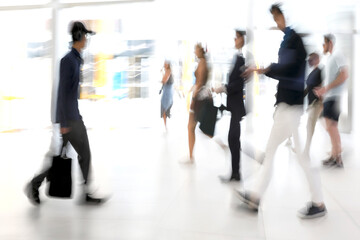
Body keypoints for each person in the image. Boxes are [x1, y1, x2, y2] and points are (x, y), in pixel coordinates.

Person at [236, 3, 327, 219]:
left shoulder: (294, 41)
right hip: (287, 106)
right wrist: (264, 70)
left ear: (286, 17)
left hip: (290, 108)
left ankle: (318, 202)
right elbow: (286, 70)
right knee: (278, 155)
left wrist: (262, 69)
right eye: (275, 19)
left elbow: (289, 69)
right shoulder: (289, 40)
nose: (277, 23)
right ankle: (257, 198)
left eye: (278, 18)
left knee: (287, 155)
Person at [25, 21, 105, 205]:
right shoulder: (68, 60)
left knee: (59, 158)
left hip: (71, 116)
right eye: (84, 36)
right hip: (70, 119)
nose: (86, 40)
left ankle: (34, 185)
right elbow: (62, 93)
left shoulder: (76, 59)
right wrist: (64, 123)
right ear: (78, 37)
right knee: (84, 152)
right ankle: (85, 193)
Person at [214, 30, 247, 182]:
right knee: (233, 138)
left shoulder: (242, 59)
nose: (235, 39)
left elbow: (239, 83)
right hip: (234, 105)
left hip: (237, 105)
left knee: (234, 138)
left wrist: (224, 88)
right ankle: (235, 173)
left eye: (237, 37)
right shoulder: (237, 57)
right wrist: (225, 87)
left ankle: (236, 173)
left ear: (243, 39)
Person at [314, 34, 348, 168]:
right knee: (330, 127)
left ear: (330, 43)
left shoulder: (337, 55)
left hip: (334, 97)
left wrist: (327, 88)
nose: (322, 46)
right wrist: (323, 90)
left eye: (324, 43)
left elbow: (344, 74)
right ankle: (334, 156)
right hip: (330, 97)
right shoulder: (331, 59)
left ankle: (338, 159)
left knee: (331, 127)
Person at [185, 43, 210, 164]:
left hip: (199, 99)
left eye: (195, 50)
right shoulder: (203, 62)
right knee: (192, 127)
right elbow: (199, 82)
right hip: (200, 97)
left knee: (192, 127)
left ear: (200, 50)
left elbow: (200, 83)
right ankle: (190, 156)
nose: (194, 52)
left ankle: (191, 157)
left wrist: (193, 99)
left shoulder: (202, 63)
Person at [303, 52, 323, 155]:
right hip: (311, 103)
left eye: (312, 59)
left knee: (309, 126)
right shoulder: (312, 73)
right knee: (326, 126)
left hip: (317, 103)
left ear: (317, 59)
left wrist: (322, 98)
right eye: (309, 60)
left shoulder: (320, 71)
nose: (310, 62)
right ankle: (336, 149)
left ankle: (306, 150)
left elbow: (325, 84)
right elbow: (308, 88)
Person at [160, 60, 174, 130]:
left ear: (168, 64)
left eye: (165, 63)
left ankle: (166, 127)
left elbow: (164, 80)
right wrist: (162, 72)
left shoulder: (168, 71)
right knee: (164, 109)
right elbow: (165, 78)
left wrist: (161, 81)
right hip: (168, 92)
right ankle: (166, 126)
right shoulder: (168, 71)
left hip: (167, 93)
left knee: (164, 109)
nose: (164, 64)